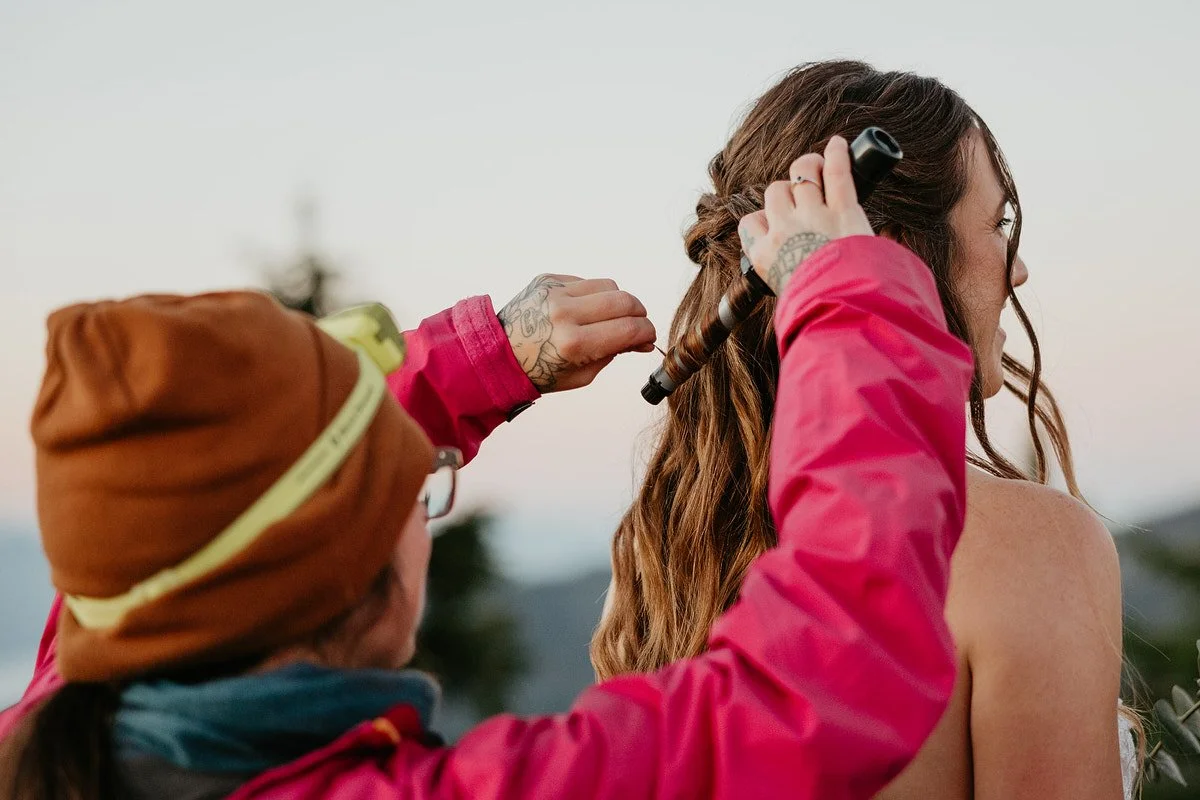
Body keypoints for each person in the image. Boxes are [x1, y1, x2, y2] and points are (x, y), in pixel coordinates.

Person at [0, 139, 974, 799]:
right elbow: (817, 680)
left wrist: (478, 361)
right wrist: (848, 294)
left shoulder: (51, 726)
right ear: (344, 571)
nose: (432, 503)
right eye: (419, 488)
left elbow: (186, 520)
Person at [591, 60, 1137, 799]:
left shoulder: (663, 561)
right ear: (895, 251)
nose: (1019, 270)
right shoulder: (1030, 547)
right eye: (998, 223)